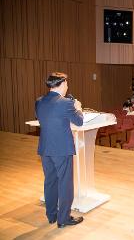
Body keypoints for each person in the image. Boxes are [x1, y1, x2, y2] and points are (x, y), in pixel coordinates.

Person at [35, 72, 84, 228]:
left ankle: (51, 216)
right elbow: (79, 121)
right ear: (62, 84)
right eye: (67, 84)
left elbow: (45, 118)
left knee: (50, 181)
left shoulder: (39, 102)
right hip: (62, 150)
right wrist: (78, 108)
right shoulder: (66, 103)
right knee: (65, 184)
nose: (67, 86)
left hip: (45, 149)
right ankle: (63, 219)